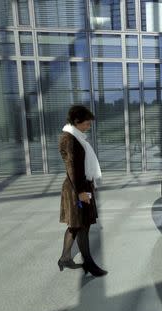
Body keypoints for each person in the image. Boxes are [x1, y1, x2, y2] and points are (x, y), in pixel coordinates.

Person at [57, 105, 107, 277]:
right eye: (86, 123)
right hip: (76, 189)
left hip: (79, 186)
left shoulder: (75, 136)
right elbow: (73, 169)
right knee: (82, 226)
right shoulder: (69, 139)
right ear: (77, 121)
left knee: (76, 225)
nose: (89, 126)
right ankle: (89, 264)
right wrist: (80, 192)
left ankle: (64, 258)